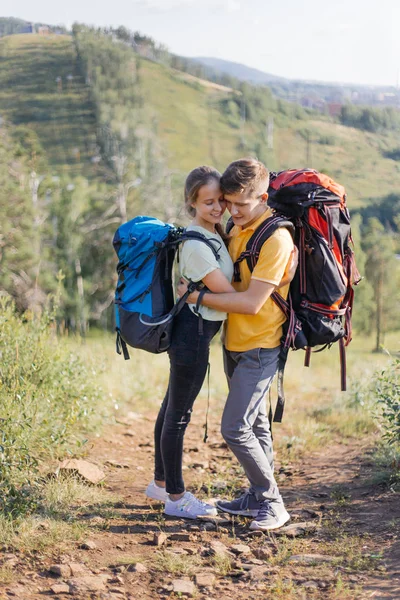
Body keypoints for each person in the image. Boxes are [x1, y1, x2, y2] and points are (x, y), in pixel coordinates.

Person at [178, 158, 295, 531]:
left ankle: (272, 501)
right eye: (228, 203)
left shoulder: (276, 239)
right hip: (236, 342)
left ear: (263, 197)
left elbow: (250, 303)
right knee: (257, 424)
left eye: (241, 204)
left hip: (262, 345)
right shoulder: (238, 227)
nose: (232, 211)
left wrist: (196, 299)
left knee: (234, 427)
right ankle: (255, 497)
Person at [145, 166, 236, 519]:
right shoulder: (198, 243)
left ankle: (160, 482)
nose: (217, 208)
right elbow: (228, 294)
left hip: (194, 332)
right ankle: (176, 497)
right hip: (191, 337)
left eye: (221, 201)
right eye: (209, 202)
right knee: (179, 416)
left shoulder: (211, 233)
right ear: (192, 203)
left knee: (171, 407)